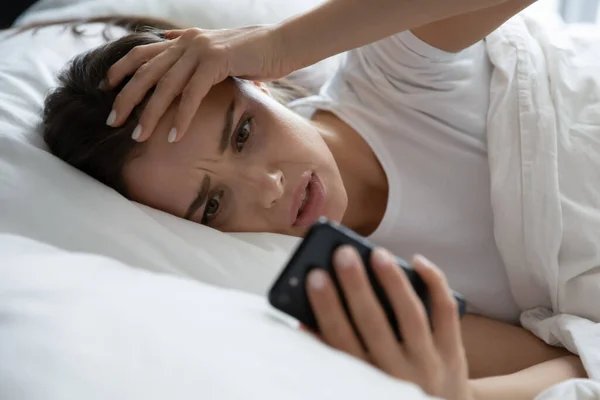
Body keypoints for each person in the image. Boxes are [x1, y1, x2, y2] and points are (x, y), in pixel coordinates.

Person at [38, 0, 589, 398]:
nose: (270, 187)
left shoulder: (392, 75)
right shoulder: (355, 289)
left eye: (244, 133)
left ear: (261, 84)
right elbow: (573, 364)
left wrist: (281, 43)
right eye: (212, 205)